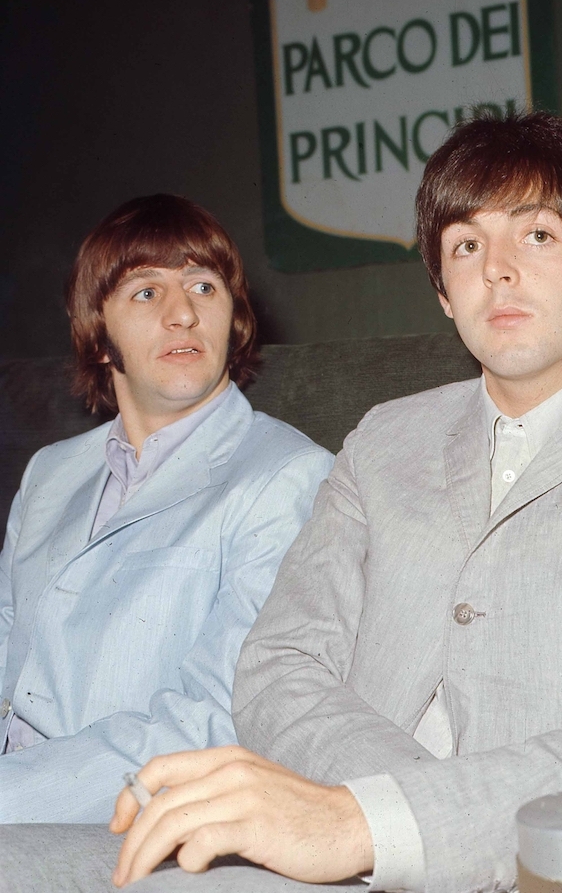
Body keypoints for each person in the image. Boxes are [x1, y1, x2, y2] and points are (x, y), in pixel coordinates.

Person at [1, 113, 562, 893]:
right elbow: (276, 668)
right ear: (443, 292)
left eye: (537, 236)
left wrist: (386, 824)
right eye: (467, 246)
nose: (498, 271)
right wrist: (376, 819)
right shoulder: (382, 441)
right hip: (339, 853)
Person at [0, 194, 333, 824]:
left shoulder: (288, 475)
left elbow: (217, 719)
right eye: (146, 292)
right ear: (98, 335)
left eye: (204, 287)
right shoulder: (50, 472)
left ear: (234, 320)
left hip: (119, 825)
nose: (183, 313)